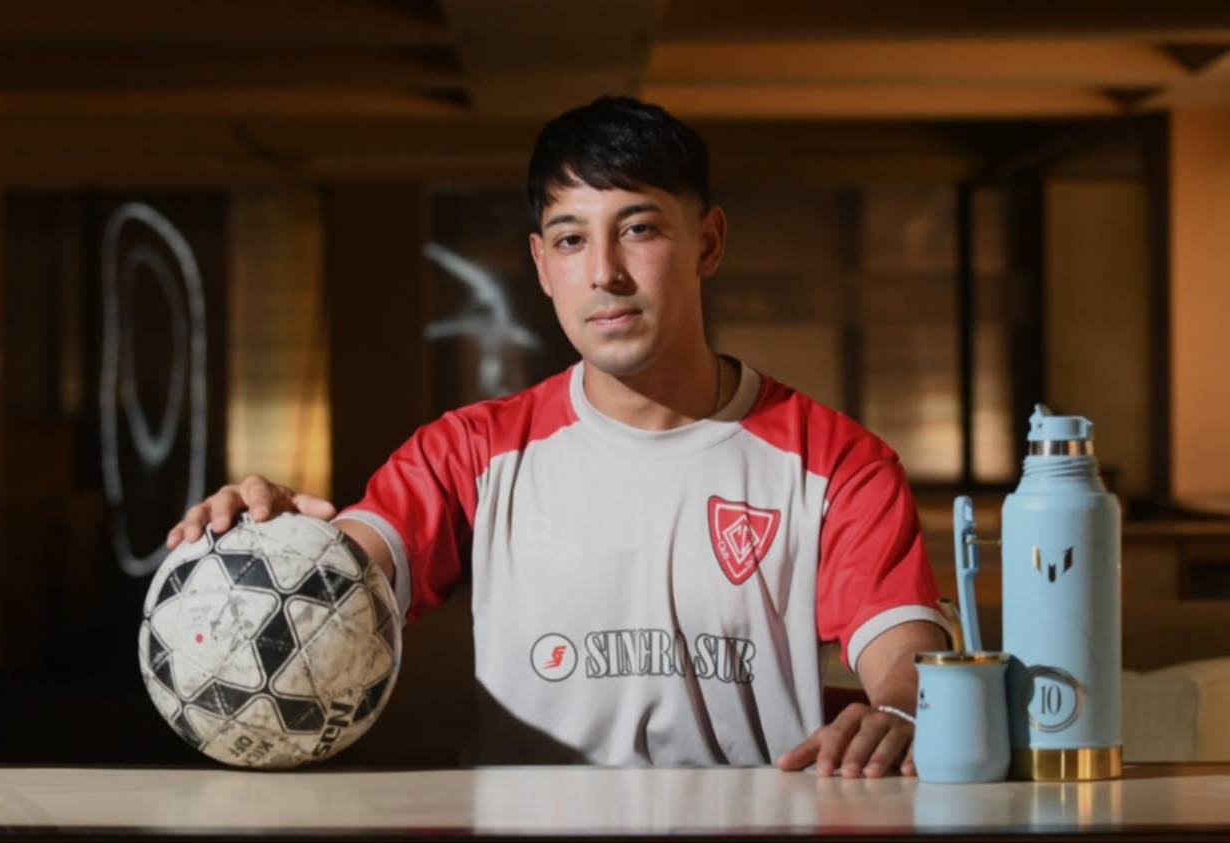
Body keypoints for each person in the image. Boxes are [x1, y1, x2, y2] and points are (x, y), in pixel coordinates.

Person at [168, 96, 948, 776]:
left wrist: (901, 707)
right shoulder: (469, 451)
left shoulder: (836, 461)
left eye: (638, 228)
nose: (604, 272)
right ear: (542, 264)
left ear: (708, 242)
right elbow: (341, 577)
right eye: (572, 239)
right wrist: (266, 547)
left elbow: (903, 648)